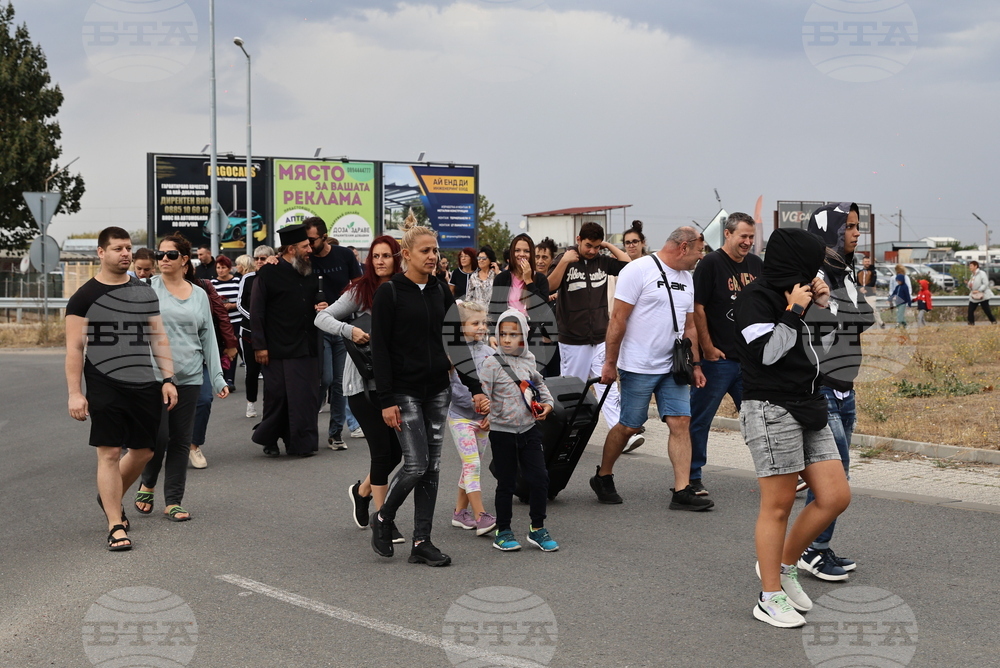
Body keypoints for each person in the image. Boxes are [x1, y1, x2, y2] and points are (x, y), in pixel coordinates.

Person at [733, 227, 851, 629]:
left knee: (835, 496)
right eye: (811, 264)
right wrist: (793, 311)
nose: (815, 271)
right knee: (778, 505)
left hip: (809, 402)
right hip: (770, 407)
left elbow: (827, 348)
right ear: (793, 262)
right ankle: (768, 597)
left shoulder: (802, 294)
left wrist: (822, 304)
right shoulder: (756, 297)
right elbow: (766, 355)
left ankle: (784, 567)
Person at [368, 217, 489, 567]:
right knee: (417, 463)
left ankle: (422, 541)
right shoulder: (389, 293)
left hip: (438, 389)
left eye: (435, 250)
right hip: (403, 391)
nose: (433, 256)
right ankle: (384, 517)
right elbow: (380, 351)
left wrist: (476, 388)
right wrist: (386, 399)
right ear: (406, 255)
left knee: (433, 467)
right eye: (425, 250)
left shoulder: (440, 290)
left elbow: (455, 342)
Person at [65, 227, 177, 551]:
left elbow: (159, 336)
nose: (125, 253)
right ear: (101, 253)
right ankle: (116, 525)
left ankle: (109, 495)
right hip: (103, 381)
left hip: (144, 381)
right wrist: (75, 392)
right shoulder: (84, 296)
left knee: (144, 451)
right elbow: (74, 348)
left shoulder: (145, 292)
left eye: (128, 248)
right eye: (118, 248)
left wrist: (168, 379)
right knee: (110, 452)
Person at [592, 227, 714, 510]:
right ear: (683, 247)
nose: (701, 256)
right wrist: (609, 363)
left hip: (673, 367)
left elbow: (690, 326)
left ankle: (682, 490)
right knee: (629, 425)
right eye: (699, 250)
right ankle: (603, 475)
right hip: (638, 365)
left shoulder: (687, 279)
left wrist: (695, 364)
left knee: (680, 421)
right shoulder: (638, 271)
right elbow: (617, 320)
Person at [800, 202, 875, 581]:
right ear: (829, 231)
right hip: (823, 386)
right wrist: (842, 312)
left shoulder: (843, 272)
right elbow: (818, 327)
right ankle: (811, 549)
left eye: (857, 226)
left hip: (845, 387)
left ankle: (816, 546)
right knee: (833, 477)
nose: (856, 233)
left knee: (836, 474)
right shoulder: (811, 274)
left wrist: (843, 308)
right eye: (848, 227)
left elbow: (863, 319)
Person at [315, 235, 406, 543]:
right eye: (375, 256)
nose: (379, 261)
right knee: (382, 452)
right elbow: (321, 317)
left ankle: (362, 490)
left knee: (397, 453)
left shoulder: (404, 288)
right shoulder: (360, 289)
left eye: (386, 255)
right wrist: (350, 330)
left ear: (397, 258)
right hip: (362, 384)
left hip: (395, 383)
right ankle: (384, 520)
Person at [136, 233, 229, 521]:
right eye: (160, 254)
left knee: (180, 439)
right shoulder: (147, 289)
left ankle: (173, 500)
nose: (163, 258)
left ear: (184, 260)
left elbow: (208, 337)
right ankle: (148, 482)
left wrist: (217, 377)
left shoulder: (199, 294)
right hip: (154, 376)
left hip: (189, 375)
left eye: (171, 255)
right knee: (158, 436)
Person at [688, 212, 763, 496]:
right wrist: (706, 349)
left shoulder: (757, 264)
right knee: (700, 419)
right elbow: (698, 308)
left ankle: (776, 474)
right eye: (743, 236)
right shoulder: (710, 264)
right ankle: (692, 477)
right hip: (718, 361)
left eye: (751, 237)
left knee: (760, 419)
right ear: (728, 234)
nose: (747, 242)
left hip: (750, 361)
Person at [546, 222, 638, 449]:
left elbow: (629, 266)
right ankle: (563, 435)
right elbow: (548, 286)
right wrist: (565, 261)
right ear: (578, 239)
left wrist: (607, 245)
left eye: (597, 246)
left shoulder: (602, 261)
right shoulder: (564, 259)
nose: (592, 251)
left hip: (599, 338)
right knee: (573, 391)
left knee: (607, 385)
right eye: (589, 245)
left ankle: (621, 435)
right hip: (572, 340)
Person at [480, 309, 557, 552]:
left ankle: (537, 528)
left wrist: (548, 404)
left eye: (513, 334)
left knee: (540, 479)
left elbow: (539, 384)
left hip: (529, 429)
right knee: (507, 483)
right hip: (502, 432)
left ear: (523, 336)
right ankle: (503, 531)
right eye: (502, 334)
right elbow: (483, 393)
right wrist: (484, 408)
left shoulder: (529, 360)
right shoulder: (491, 363)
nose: (507, 339)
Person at [250, 224, 326, 457]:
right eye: (305, 246)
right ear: (291, 249)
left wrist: (322, 305)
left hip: (306, 345)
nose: (309, 250)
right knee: (278, 398)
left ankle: (301, 445)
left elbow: (316, 298)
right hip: (277, 348)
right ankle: (269, 438)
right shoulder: (268, 272)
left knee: (305, 398)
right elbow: (257, 311)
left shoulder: (308, 270)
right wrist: (260, 345)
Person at [304, 217, 364, 449]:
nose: (309, 245)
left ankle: (335, 433)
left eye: (312, 240)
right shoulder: (305, 258)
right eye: (306, 241)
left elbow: (359, 286)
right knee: (324, 378)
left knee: (340, 382)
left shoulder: (344, 255)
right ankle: (308, 428)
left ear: (324, 235)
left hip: (343, 326)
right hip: (318, 326)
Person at [447, 301, 497, 537]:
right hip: (460, 418)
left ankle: (459, 512)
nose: (482, 327)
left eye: (484, 322)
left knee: (471, 465)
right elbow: (450, 389)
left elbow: (499, 387)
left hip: (484, 419)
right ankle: (480, 516)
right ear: (460, 326)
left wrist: (492, 412)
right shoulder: (451, 354)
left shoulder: (490, 352)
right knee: (473, 464)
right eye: (475, 323)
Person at [236, 245, 275, 419]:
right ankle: (251, 403)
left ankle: (270, 405)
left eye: (263, 258)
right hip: (248, 331)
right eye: (257, 258)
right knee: (252, 370)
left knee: (271, 371)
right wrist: (256, 319)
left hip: (271, 332)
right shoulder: (248, 278)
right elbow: (240, 303)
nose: (259, 261)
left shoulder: (277, 277)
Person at [212, 255, 242, 391]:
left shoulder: (237, 281)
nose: (220, 270)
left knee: (235, 349)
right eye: (218, 268)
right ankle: (224, 379)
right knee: (223, 350)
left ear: (229, 268)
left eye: (223, 268)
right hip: (221, 322)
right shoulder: (213, 283)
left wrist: (232, 305)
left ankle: (231, 378)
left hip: (236, 320)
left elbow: (242, 300)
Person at [534, 237, 561, 377]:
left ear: (552, 260)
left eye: (544, 257)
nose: (540, 261)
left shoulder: (559, 283)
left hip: (556, 345)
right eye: (537, 256)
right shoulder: (529, 283)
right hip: (535, 344)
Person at [856, 256, 884, 328]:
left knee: (873, 309)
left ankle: (880, 323)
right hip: (861, 294)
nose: (867, 263)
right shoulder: (859, 272)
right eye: (865, 261)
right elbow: (857, 282)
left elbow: (872, 282)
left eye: (868, 261)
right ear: (863, 262)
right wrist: (860, 289)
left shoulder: (873, 272)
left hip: (870, 293)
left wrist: (865, 288)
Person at [967, 260, 995, 325]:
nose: (970, 267)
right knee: (970, 310)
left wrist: (979, 290)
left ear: (976, 266)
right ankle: (971, 323)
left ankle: (993, 321)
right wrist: (969, 285)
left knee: (986, 310)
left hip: (983, 295)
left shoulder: (982, 273)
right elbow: (971, 286)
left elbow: (985, 283)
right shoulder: (972, 275)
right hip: (974, 295)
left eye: (971, 266)